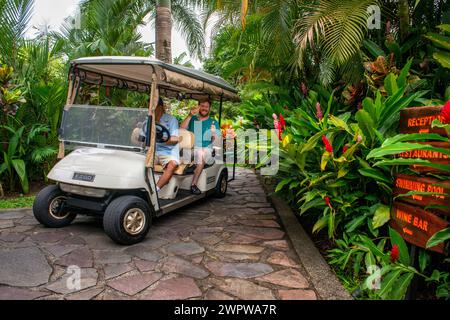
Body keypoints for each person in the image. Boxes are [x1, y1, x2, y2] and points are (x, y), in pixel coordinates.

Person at [181, 98, 220, 195]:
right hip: (192, 148)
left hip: (206, 149)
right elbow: (182, 129)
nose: (204, 108)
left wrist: (214, 133)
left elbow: (216, 142)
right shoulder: (193, 119)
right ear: (198, 107)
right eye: (202, 106)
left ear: (209, 108)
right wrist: (190, 115)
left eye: (206, 107)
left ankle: (193, 184)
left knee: (201, 155)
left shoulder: (213, 122)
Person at [147, 98, 181, 192]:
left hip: (168, 151)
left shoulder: (171, 120)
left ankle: (155, 191)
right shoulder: (149, 119)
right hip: (153, 150)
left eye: (152, 107)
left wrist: (161, 138)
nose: (150, 110)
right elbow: (142, 135)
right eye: (149, 108)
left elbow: (174, 138)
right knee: (139, 161)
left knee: (172, 164)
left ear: (160, 107)